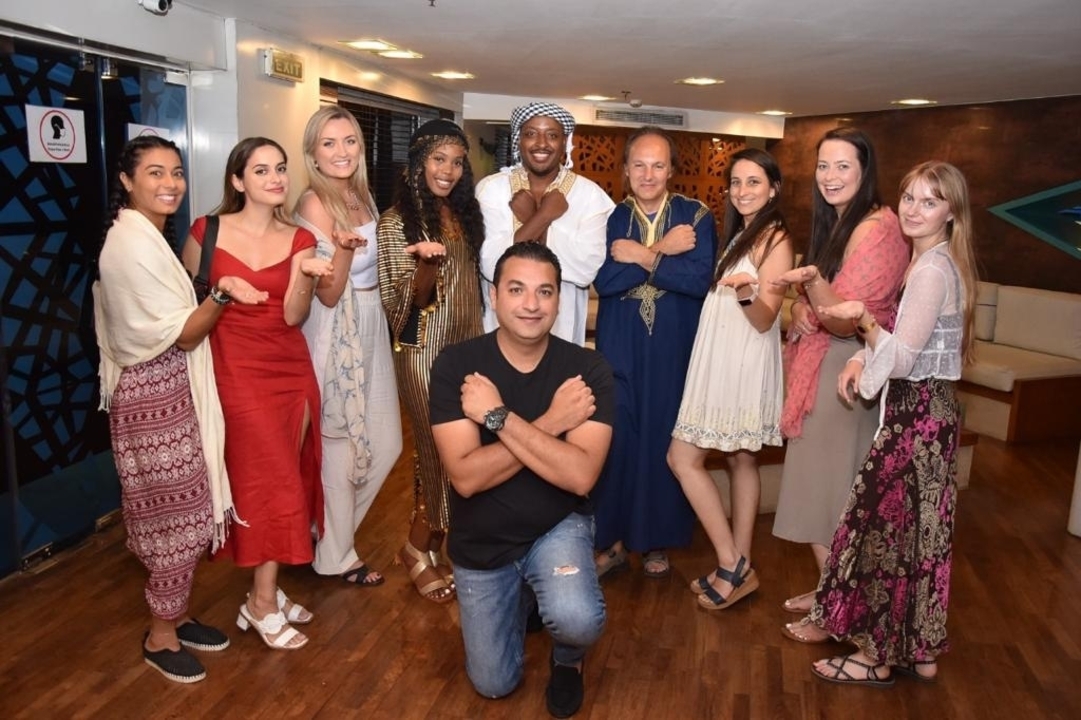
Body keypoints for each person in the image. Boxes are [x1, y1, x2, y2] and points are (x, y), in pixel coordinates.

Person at [794, 161, 978, 685]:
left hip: (917, 418)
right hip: (930, 411)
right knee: (921, 539)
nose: (914, 209)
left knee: (887, 536)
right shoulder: (935, 264)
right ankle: (920, 651)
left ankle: (875, 658)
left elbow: (900, 359)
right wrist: (861, 355)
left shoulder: (931, 271)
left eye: (930, 200)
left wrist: (866, 322)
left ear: (951, 212)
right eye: (910, 197)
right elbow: (907, 344)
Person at [94, 136, 264, 682]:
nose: (169, 183)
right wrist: (221, 293)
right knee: (175, 517)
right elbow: (186, 336)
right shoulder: (129, 245)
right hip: (151, 402)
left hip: (170, 391)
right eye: (154, 173)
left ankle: (178, 613)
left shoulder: (148, 235)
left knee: (188, 507)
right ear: (127, 181)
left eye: (176, 172)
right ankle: (160, 634)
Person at [429, 241, 614, 719]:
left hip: (557, 525)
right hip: (483, 539)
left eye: (544, 292)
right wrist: (552, 423)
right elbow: (466, 478)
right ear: (494, 295)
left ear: (558, 299)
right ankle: (523, 598)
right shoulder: (456, 366)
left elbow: (579, 475)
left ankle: (567, 658)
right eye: (517, 289)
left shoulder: (587, 369)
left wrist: (495, 417)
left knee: (576, 619)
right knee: (494, 684)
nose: (531, 304)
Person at [182, 137, 332, 650]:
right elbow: (187, 304)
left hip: (289, 370)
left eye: (281, 169)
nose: (275, 178)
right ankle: (261, 602)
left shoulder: (299, 239)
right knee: (269, 484)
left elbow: (293, 316)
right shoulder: (207, 231)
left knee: (285, 474)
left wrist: (308, 278)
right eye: (262, 169)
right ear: (237, 180)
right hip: (235, 370)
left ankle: (265, 590)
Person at [770, 127, 908, 628]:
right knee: (823, 493)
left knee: (830, 496)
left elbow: (846, 316)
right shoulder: (840, 223)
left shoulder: (877, 229)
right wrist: (804, 307)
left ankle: (838, 610)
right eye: (823, 166)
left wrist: (811, 295)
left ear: (865, 170)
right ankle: (832, 588)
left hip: (846, 370)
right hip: (827, 363)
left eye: (843, 166)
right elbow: (820, 305)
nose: (830, 177)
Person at [667, 148, 794, 609]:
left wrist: (743, 292)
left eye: (754, 182)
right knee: (741, 460)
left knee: (682, 458)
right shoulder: (742, 233)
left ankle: (730, 563)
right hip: (721, 355)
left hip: (741, 362)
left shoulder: (776, 238)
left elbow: (764, 319)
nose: (742, 191)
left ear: (773, 188)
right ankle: (739, 567)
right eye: (736, 182)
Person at [590, 126, 716, 579]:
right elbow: (604, 282)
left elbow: (696, 282)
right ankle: (615, 541)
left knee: (664, 440)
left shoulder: (696, 216)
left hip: (673, 348)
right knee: (618, 440)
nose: (648, 174)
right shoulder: (609, 218)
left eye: (658, 164)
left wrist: (639, 258)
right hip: (619, 347)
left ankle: (656, 541)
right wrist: (662, 252)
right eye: (639, 165)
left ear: (672, 170)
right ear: (625, 171)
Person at [376, 119, 485, 603]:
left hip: (467, 347)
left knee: (460, 449)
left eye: (458, 161)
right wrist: (425, 264)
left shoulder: (463, 216)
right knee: (442, 450)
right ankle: (418, 547)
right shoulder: (395, 222)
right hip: (422, 352)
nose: (449, 170)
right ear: (418, 162)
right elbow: (400, 307)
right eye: (439, 159)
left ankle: (434, 544)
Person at [295, 106, 402, 588]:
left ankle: (321, 534)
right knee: (339, 446)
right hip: (334, 328)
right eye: (329, 143)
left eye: (349, 141)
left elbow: (375, 270)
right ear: (313, 154)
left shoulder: (361, 195)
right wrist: (341, 248)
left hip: (371, 322)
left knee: (387, 444)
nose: (341, 152)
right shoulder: (314, 203)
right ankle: (335, 553)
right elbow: (329, 291)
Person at [476, 101, 614, 345]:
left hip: (563, 327)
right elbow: (491, 264)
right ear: (519, 140)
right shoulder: (491, 189)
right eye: (531, 134)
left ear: (565, 143)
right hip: (500, 329)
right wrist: (544, 216)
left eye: (552, 135)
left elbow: (586, 270)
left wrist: (533, 219)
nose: (541, 143)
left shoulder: (590, 195)